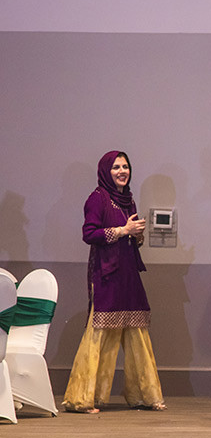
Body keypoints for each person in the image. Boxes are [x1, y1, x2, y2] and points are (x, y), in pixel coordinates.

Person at [63, 151, 165, 413]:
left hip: (128, 273)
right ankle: (82, 398)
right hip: (106, 274)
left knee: (137, 330)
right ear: (105, 171)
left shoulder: (127, 199)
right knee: (99, 332)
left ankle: (145, 396)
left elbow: (128, 235)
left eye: (126, 166)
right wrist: (123, 231)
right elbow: (89, 234)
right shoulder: (97, 198)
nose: (122, 171)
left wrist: (136, 235)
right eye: (116, 167)